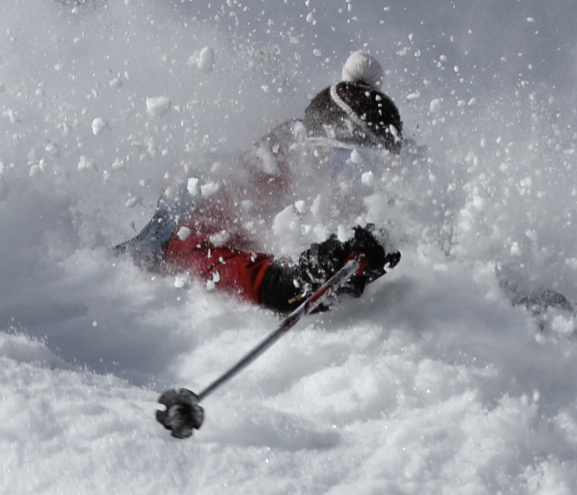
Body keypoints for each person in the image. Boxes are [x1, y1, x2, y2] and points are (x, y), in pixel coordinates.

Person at [116, 51, 402, 313]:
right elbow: (188, 245)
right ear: (313, 152)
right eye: (343, 159)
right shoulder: (265, 175)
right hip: (144, 279)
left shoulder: (370, 194)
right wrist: (283, 282)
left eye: (371, 165)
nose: (355, 177)